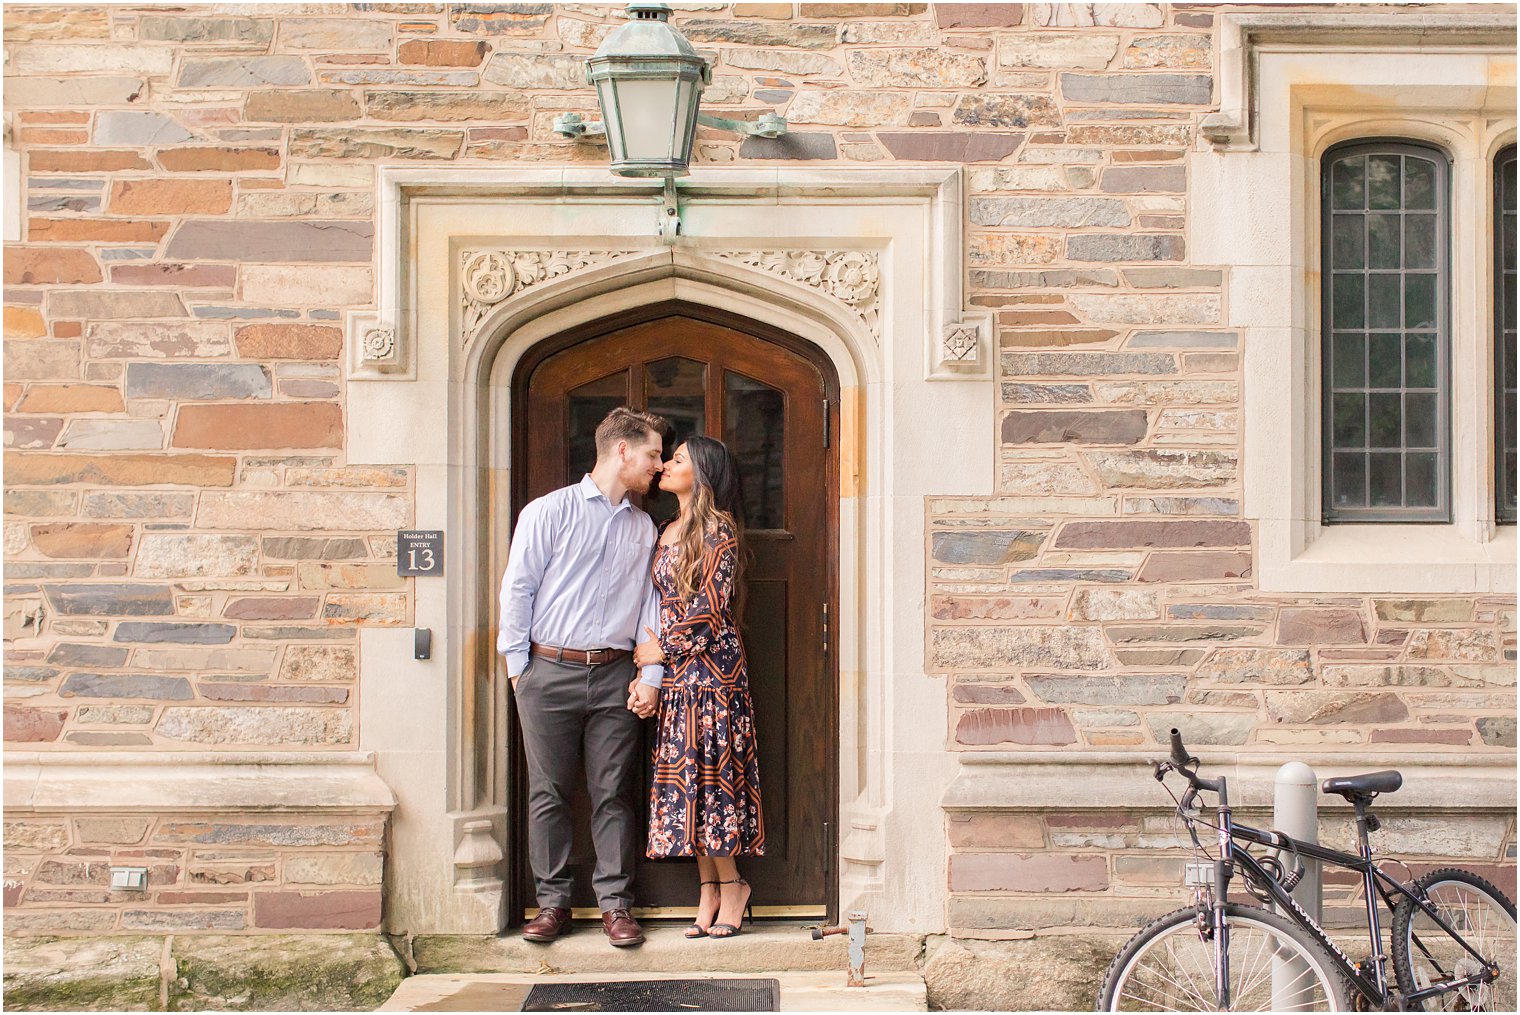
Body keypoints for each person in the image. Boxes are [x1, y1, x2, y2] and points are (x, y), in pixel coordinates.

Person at [498, 406, 671, 948]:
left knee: (613, 792)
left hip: (617, 673)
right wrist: (518, 669)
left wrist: (652, 673)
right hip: (547, 671)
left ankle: (616, 906)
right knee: (548, 792)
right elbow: (517, 590)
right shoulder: (547, 513)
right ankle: (552, 905)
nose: (659, 466)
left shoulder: (644, 527)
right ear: (622, 451)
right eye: (652, 454)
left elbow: (651, 605)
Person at [632, 435, 765, 940]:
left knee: (712, 780)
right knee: (689, 782)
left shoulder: (718, 532)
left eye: (679, 459)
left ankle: (733, 885)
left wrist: (661, 649)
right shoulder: (666, 528)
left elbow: (710, 609)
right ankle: (708, 889)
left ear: (702, 474)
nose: (666, 464)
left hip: (713, 676)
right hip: (679, 679)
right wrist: (652, 669)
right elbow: (657, 603)